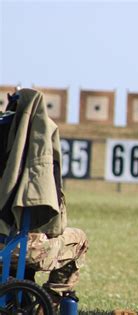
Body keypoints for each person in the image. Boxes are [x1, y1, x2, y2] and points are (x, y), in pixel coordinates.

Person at [0, 88, 88, 306]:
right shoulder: (26, 139)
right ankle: (49, 301)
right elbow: (51, 219)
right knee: (79, 239)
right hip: (11, 246)